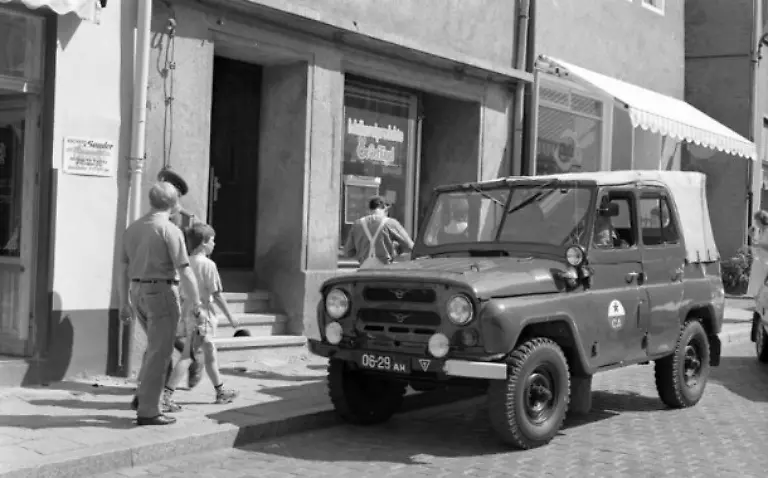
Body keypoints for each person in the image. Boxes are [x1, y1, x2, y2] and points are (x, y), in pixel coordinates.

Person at [119, 182, 208, 426]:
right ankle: (148, 409)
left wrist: (123, 301)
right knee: (160, 352)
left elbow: (123, 268)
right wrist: (197, 302)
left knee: (155, 348)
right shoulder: (169, 229)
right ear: (173, 203)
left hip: (137, 291)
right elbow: (185, 270)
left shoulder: (133, 229)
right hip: (161, 292)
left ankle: (143, 395)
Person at [164, 223, 239, 404]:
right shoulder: (208, 265)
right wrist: (231, 316)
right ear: (203, 243)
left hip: (188, 313)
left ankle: (220, 391)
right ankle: (166, 396)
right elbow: (217, 294)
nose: (214, 244)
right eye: (212, 240)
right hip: (202, 316)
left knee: (210, 354)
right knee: (188, 356)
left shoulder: (184, 263)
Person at [157, 167, 205, 390]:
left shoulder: (188, 221)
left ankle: (195, 357)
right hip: (157, 280)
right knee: (158, 336)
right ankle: (160, 380)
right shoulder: (156, 216)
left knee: (168, 334)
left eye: (167, 188)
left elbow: (195, 254)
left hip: (178, 283)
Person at [343, 196, 414, 269]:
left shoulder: (357, 224)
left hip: (364, 270)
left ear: (369, 209)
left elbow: (348, 252)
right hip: (384, 270)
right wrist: (396, 250)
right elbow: (410, 246)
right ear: (385, 208)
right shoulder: (391, 223)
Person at [748, 210, 768, 297]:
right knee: (756, 290)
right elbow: (756, 245)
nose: (755, 222)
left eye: (756, 220)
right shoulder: (760, 232)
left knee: (762, 289)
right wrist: (751, 236)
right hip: (758, 262)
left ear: (761, 220)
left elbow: (761, 245)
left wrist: (758, 244)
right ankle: (759, 309)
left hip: (765, 263)